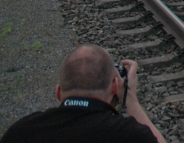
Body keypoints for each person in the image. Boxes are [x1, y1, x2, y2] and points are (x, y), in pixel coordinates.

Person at [1, 44, 165, 143]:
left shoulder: (21, 132)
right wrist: (130, 99)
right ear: (115, 87)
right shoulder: (130, 135)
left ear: (58, 92)